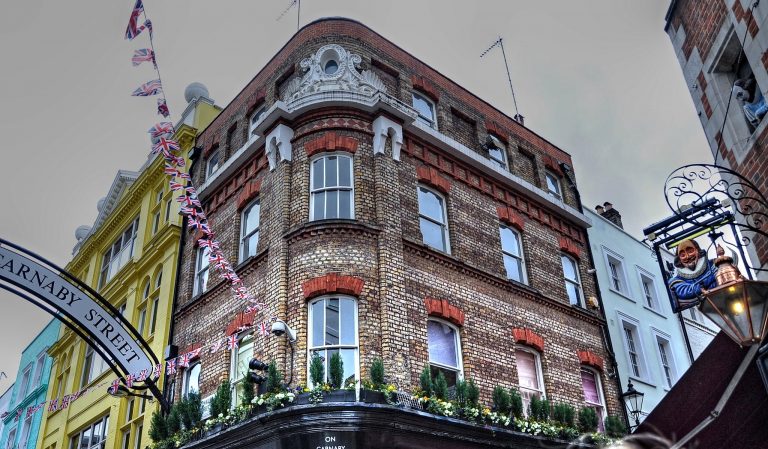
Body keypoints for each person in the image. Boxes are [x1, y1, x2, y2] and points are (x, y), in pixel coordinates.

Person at [667, 239, 718, 309]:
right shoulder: (674, 281)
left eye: (690, 251)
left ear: (697, 251)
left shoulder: (715, 263)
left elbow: (724, 272)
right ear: (679, 259)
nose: (687, 256)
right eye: (683, 255)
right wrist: (711, 280)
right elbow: (685, 292)